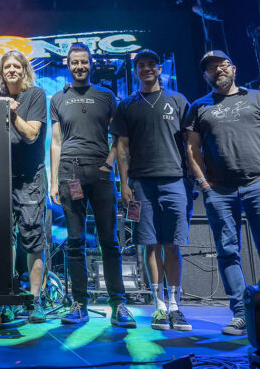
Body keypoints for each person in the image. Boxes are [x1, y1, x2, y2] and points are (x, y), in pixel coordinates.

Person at [185, 50, 260, 336]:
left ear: (234, 68)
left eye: (223, 64)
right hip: (220, 191)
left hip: (258, 185)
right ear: (206, 75)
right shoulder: (199, 106)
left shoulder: (258, 98)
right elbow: (192, 149)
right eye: (212, 68)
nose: (218, 70)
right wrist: (204, 184)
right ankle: (242, 313)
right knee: (228, 252)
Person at [49, 43, 136, 328]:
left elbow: (119, 138)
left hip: (100, 176)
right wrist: (53, 180)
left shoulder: (107, 95)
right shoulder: (58, 99)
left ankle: (119, 304)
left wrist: (108, 165)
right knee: (74, 243)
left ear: (91, 63)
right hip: (69, 174)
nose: (79, 67)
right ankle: (79, 304)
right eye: (75, 62)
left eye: (84, 62)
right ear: (68, 64)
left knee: (109, 242)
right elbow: (57, 142)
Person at [111, 49, 192, 331]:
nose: (146, 69)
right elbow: (122, 147)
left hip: (175, 181)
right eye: (140, 65)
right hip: (141, 183)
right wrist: (124, 184)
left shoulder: (178, 101)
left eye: (150, 65)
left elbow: (191, 143)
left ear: (159, 69)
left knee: (173, 243)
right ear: (135, 71)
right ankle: (159, 307)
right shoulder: (127, 105)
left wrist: (194, 177)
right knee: (150, 243)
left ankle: (175, 307)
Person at [0, 50, 48, 323]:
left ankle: (34, 300)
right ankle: (3, 295)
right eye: (6, 66)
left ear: (24, 70)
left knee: (32, 239)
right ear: (1, 71)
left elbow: (31, 134)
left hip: (29, 178)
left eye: (16, 66)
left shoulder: (36, 95)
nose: (11, 70)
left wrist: (10, 111)